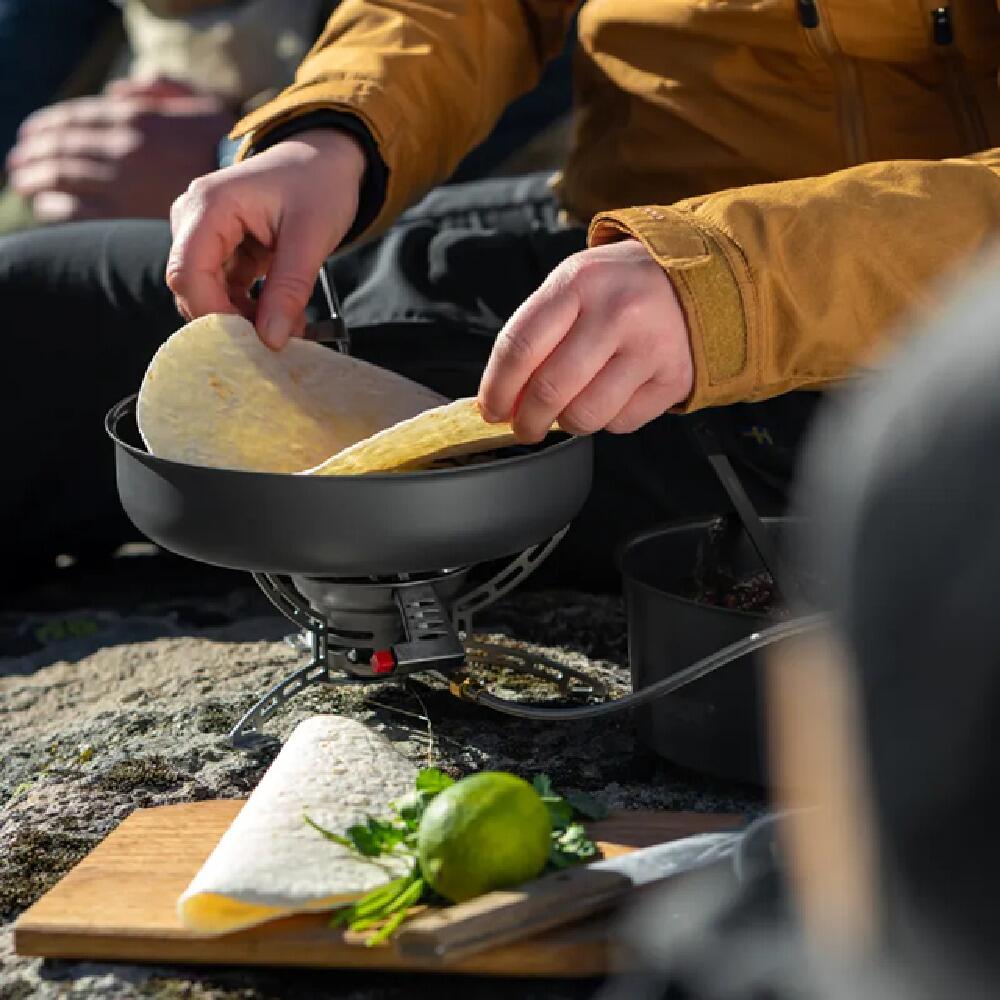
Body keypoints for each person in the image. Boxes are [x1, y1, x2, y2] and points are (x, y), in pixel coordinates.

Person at [3, 1, 999, 586]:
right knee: (38, 323)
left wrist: (738, 282)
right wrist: (335, 130)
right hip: (617, 266)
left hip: (944, 365)